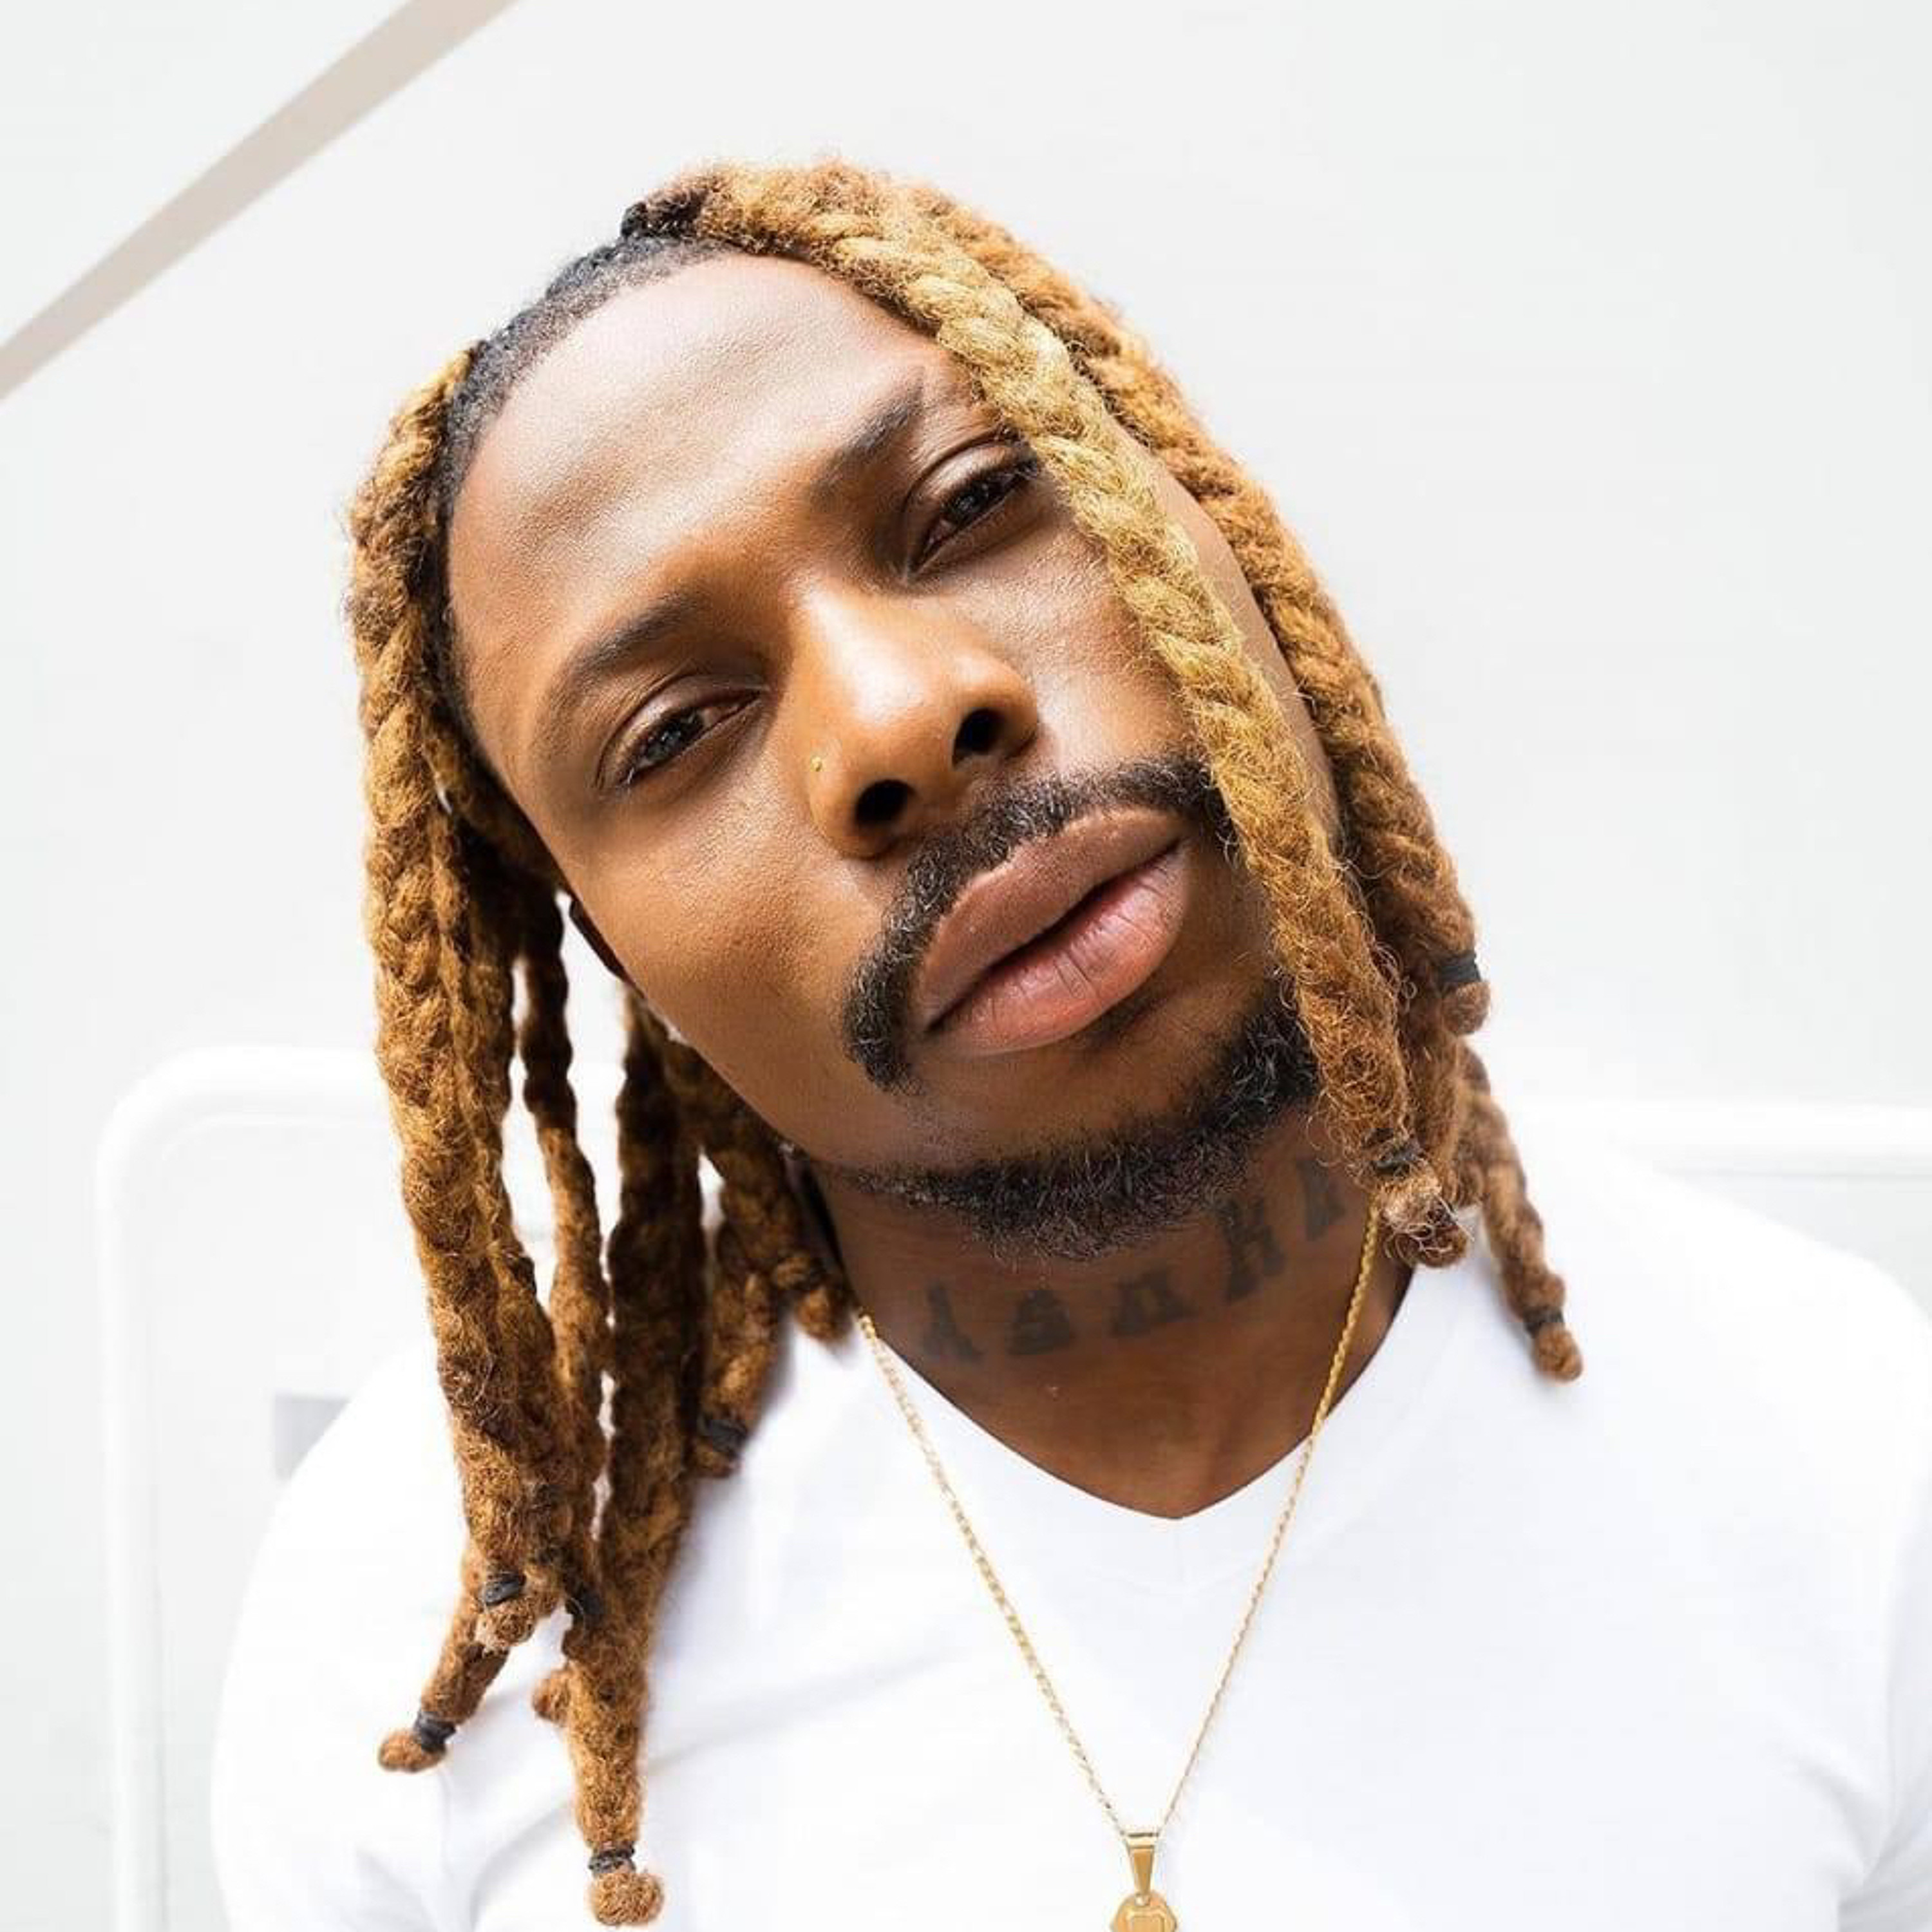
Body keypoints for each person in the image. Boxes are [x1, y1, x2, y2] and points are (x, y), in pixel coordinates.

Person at [210, 156, 1932, 1931]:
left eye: (971, 504)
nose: (902, 717)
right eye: (673, 731)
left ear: (1206, 515)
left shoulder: (1845, 1452)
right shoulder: (393, 1633)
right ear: (600, 938)